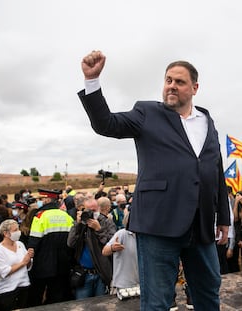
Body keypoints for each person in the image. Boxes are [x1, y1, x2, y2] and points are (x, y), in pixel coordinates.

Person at [78, 50, 230, 310]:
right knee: (157, 301)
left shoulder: (207, 120)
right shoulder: (146, 112)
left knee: (208, 294)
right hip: (158, 222)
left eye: (179, 82)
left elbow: (216, 170)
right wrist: (92, 82)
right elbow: (107, 124)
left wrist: (224, 218)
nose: (171, 85)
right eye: (168, 80)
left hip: (201, 224)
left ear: (194, 88)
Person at [27, 189, 74, 306]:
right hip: (63, 264)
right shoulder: (66, 216)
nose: (42, 201)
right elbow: (72, 241)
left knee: (37, 296)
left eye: (43, 199)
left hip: (43, 265)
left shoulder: (40, 216)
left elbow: (34, 242)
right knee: (57, 297)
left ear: (48, 199)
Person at [67, 198, 115, 300]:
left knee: (102, 305)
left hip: (101, 273)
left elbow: (112, 246)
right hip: (84, 274)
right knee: (82, 305)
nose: (91, 214)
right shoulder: (81, 224)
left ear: (98, 209)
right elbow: (70, 243)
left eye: (94, 210)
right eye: (88, 210)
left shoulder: (106, 222)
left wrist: (99, 230)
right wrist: (77, 224)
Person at [0, 219, 33, 310]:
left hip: (24, 286)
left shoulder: (20, 244)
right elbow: (4, 272)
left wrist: (29, 258)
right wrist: (23, 263)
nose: (18, 232)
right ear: (6, 233)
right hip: (7, 291)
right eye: (15, 230)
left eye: (18, 229)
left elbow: (28, 265)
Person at [102, 211, 139, 301]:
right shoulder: (122, 234)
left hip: (141, 284)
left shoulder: (145, 237)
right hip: (122, 285)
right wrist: (112, 248)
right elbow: (104, 251)